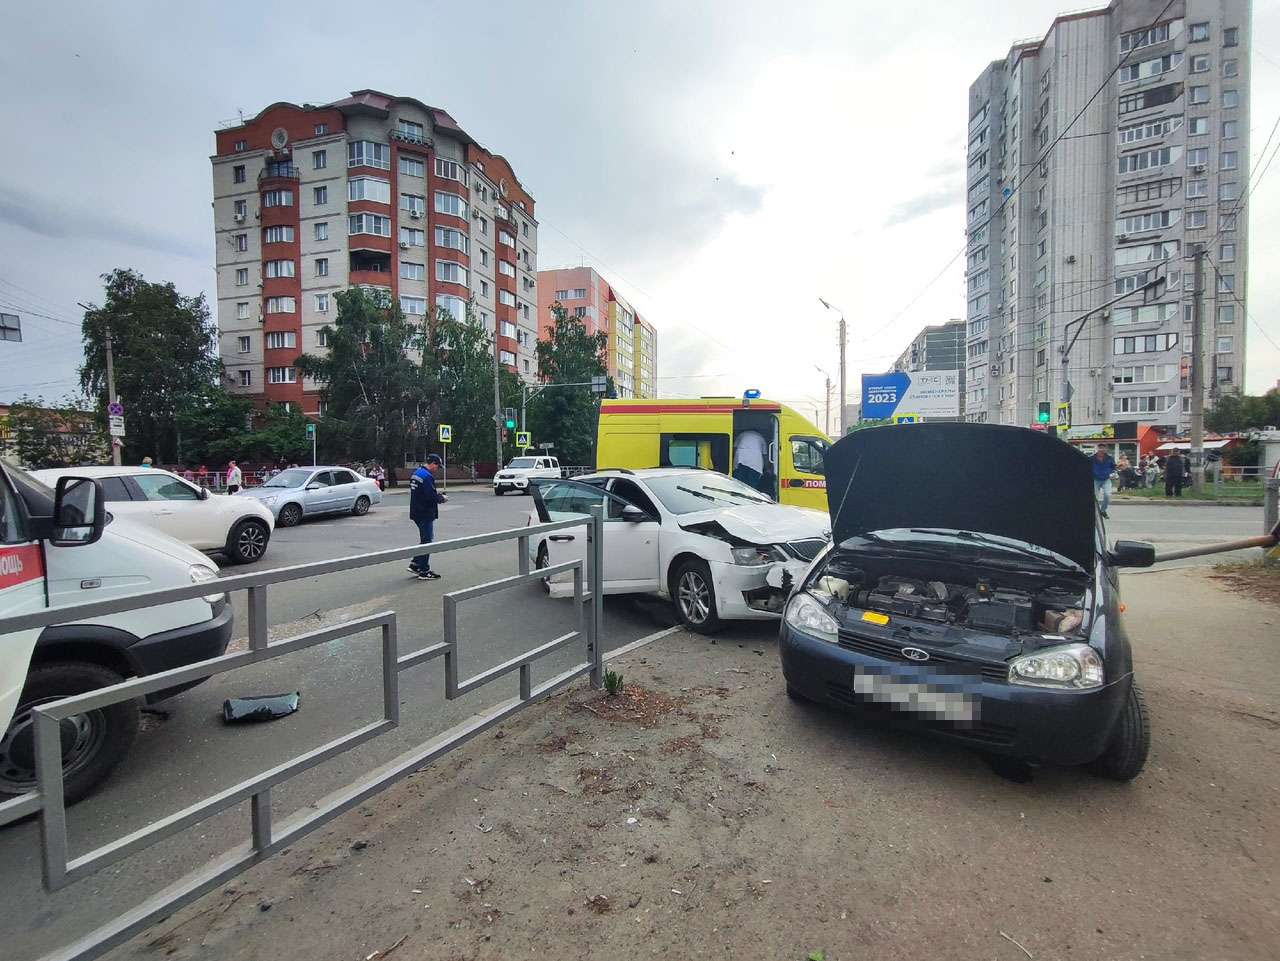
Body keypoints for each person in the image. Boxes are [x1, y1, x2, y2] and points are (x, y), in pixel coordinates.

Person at [408, 454, 447, 580]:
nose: (438, 469)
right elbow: (430, 496)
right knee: (427, 541)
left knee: (425, 539)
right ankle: (424, 571)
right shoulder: (427, 476)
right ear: (433, 463)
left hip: (416, 511)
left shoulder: (416, 473)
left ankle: (415, 564)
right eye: (438, 466)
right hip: (425, 512)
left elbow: (422, 493)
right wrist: (442, 498)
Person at [1091, 446, 1116, 518]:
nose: (1102, 449)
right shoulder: (1092, 458)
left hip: (1106, 479)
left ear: (1106, 449)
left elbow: (1113, 467)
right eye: (1100, 448)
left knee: (1107, 495)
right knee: (1095, 497)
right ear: (1097, 449)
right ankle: (1096, 512)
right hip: (1095, 479)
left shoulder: (1110, 458)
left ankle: (1103, 510)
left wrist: (1113, 472)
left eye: (1103, 448)